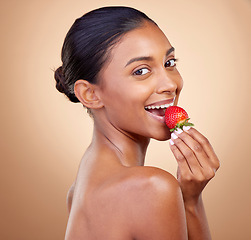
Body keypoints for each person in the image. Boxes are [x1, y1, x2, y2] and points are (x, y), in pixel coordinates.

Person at [54, 6, 220, 240]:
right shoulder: (151, 188)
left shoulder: (79, 190)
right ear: (90, 94)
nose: (169, 84)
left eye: (169, 63)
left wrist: (189, 197)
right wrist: (191, 205)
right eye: (141, 70)